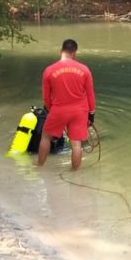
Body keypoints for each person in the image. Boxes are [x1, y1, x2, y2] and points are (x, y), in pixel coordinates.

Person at [37, 39, 96, 170]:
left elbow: (46, 97)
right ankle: (75, 174)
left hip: (59, 110)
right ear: (74, 52)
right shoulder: (84, 70)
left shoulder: (49, 70)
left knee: (46, 137)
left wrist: (50, 109)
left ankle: (39, 166)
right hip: (80, 111)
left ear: (61, 51)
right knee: (76, 144)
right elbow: (90, 95)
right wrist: (91, 114)